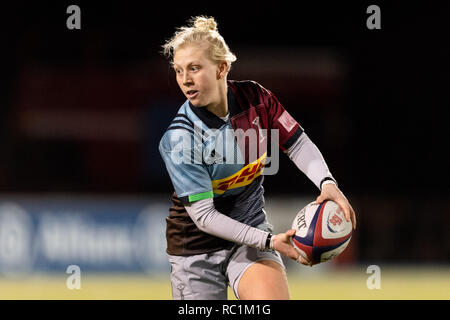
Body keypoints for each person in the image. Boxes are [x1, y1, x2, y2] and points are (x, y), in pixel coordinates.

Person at [158, 16, 356, 300]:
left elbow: (297, 143)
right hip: (196, 250)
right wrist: (270, 240)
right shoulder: (180, 138)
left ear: (222, 68)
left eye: (194, 68)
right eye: (178, 71)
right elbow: (204, 217)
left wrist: (327, 183)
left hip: (249, 237)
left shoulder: (256, 98)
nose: (185, 79)